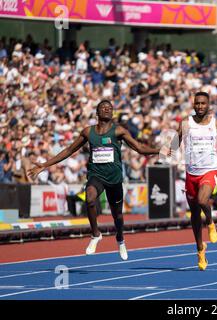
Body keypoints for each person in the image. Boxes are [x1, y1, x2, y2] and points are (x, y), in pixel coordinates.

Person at [28, 100, 161, 260]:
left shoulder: (119, 131)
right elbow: (69, 150)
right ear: (97, 113)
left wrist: (159, 150)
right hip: (96, 175)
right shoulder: (88, 132)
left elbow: (140, 148)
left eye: (110, 108)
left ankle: (120, 238)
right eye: (104, 108)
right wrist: (44, 165)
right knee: (89, 198)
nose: (107, 109)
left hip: (114, 179)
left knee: (117, 216)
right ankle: (96, 234)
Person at [170, 91, 217, 271]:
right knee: (195, 216)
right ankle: (200, 250)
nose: (199, 106)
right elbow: (175, 142)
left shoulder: (216, 123)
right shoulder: (186, 123)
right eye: (197, 103)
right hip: (191, 173)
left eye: (203, 103)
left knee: (202, 200)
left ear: (208, 104)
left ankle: (211, 223)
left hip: (209, 169)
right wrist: (169, 150)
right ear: (193, 104)